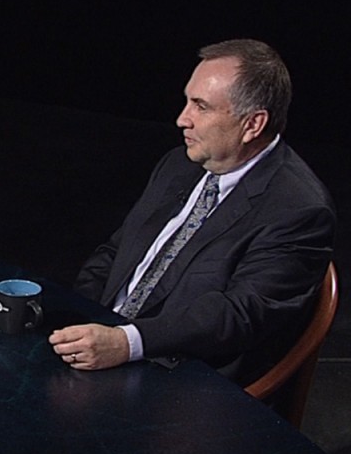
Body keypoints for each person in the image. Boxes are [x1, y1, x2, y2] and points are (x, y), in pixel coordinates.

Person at [49, 39, 336, 385]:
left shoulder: (299, 210)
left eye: (201, 106)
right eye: (187, 101)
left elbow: (237, 316)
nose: (182, 119)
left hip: (177, 378)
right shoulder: (179, 164)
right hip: (107, 343)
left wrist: (127, 343)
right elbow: (115, 252)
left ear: (253, 125)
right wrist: (77, 319)